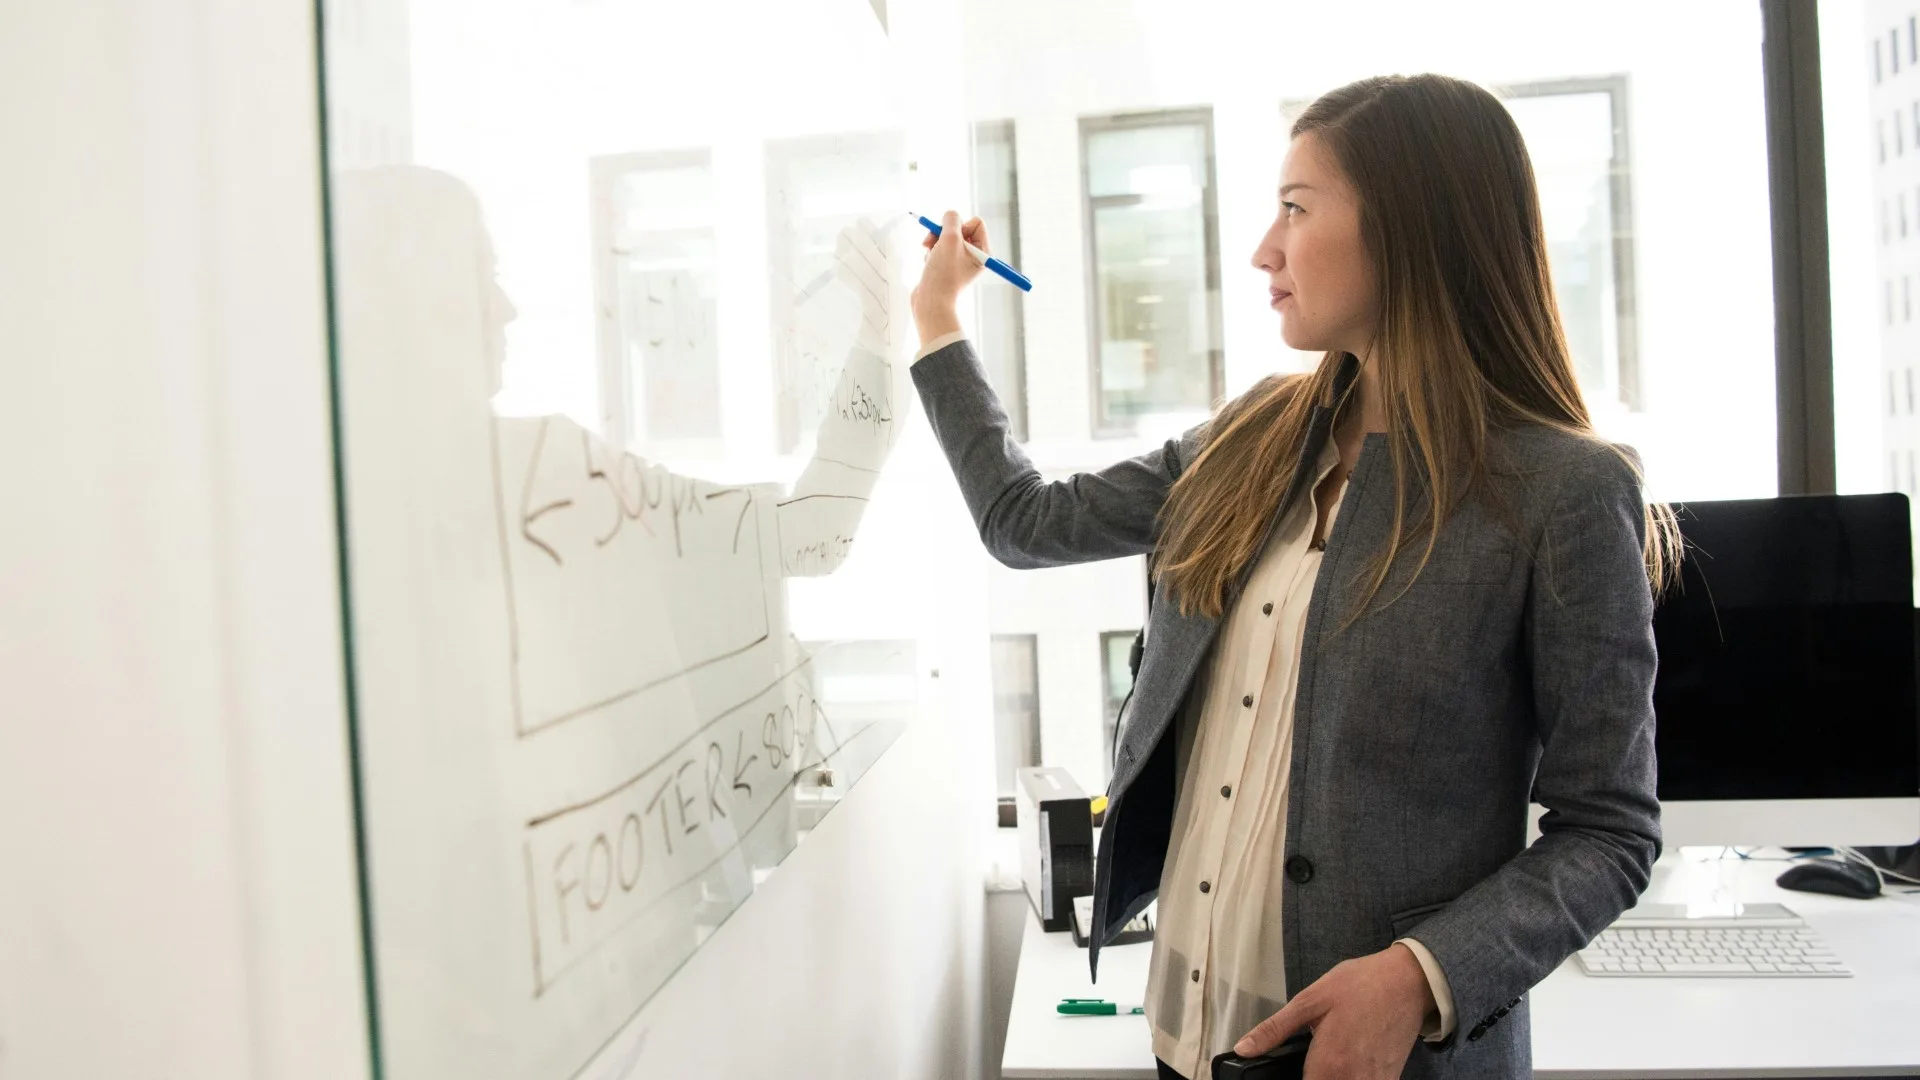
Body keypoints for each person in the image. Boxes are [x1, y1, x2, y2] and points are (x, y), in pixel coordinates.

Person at [908, 74, 1677, 1080]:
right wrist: (937, 322)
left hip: (1377, 1059)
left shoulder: (1560, 491)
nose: (1264, 250)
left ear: (1411, 228)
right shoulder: (1251, 437)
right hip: (1186, 1033)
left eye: (1296, 208)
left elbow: (1610, 830)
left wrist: (1419, 976)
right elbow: (1025, 522)